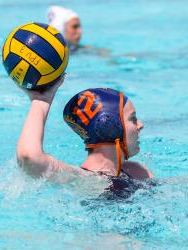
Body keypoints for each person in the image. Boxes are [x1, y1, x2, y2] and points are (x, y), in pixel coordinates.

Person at [17, 76, 153, 184]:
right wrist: (41, 101)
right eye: (133, 118)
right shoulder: (84, 181)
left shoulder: (138, 172)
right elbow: (29, 157)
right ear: (109, 127)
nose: (140, 125)